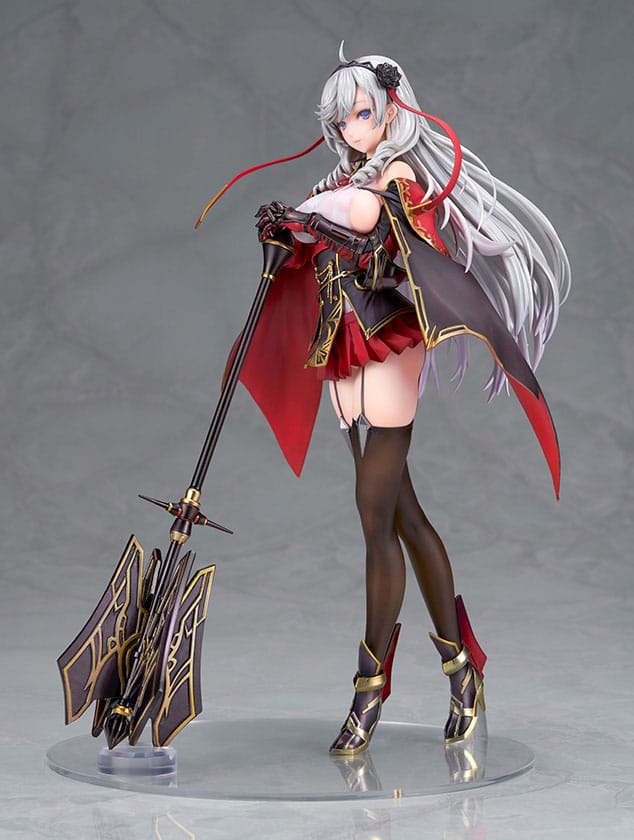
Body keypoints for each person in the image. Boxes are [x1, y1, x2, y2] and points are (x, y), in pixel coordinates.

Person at [202, 46, 570, 756]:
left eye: (362, 114)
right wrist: (287, 235)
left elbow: (370, 229)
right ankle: (464, 671)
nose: (350, 129)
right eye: (341, 119)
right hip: (343, 350)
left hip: (392, 343)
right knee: (404, 516)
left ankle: (369, 687)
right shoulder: (343, 179)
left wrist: (307, 214)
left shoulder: (398, 179)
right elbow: (324, 236)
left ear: (392, 111)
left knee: (374, 516)